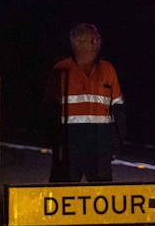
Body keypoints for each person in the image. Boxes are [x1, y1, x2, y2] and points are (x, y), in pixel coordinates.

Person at [45, 23, 125, 182]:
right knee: (64, 193)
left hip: (100, 144)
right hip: (70, 145)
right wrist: (56, 144)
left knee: (101, 196)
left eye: (98, 40)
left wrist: (117, 143)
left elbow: (119, 108)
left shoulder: (108, 69)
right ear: (76, 42)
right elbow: (49, 112)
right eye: (92, 40)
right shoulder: (61, 70)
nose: (97, 44)